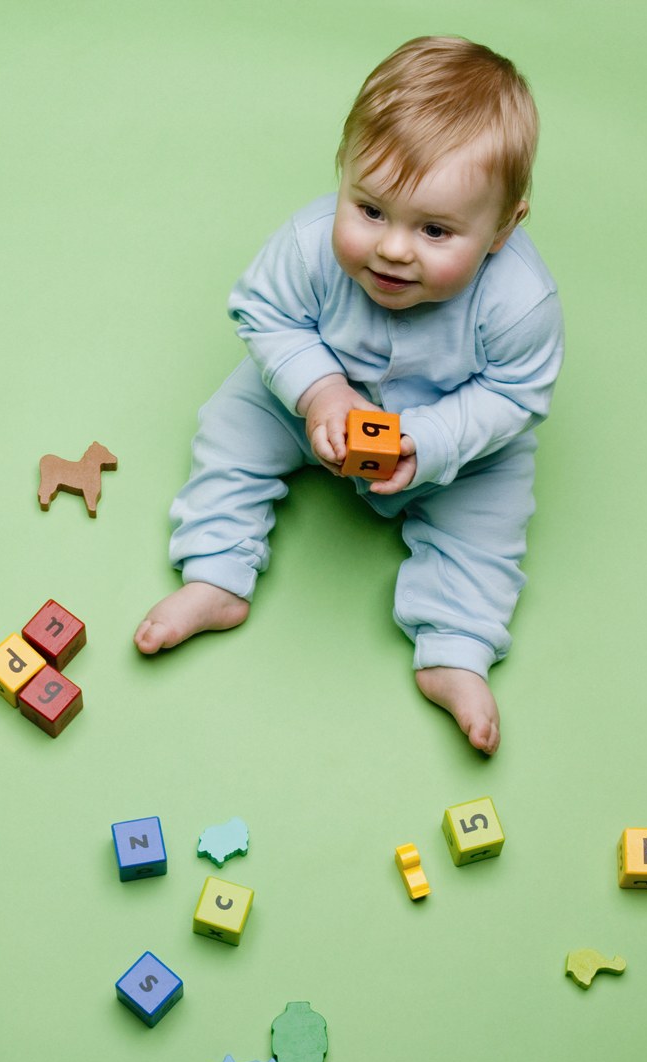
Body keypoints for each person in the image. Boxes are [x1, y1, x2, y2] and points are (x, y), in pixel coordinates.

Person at [133, 36, 563, 756]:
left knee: (490, 518)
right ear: (343, 176)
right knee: (231, 426)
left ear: (503, 228)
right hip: (311, 397)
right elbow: (263, 314)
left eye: (434, 229)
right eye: (369, 209)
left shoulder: (519, 302)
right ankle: (216, 573)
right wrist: (320, 392)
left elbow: (515, 395)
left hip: (456, 437)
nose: (393, 249)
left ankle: (455, 649)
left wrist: (427, 440)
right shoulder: (306, 248)